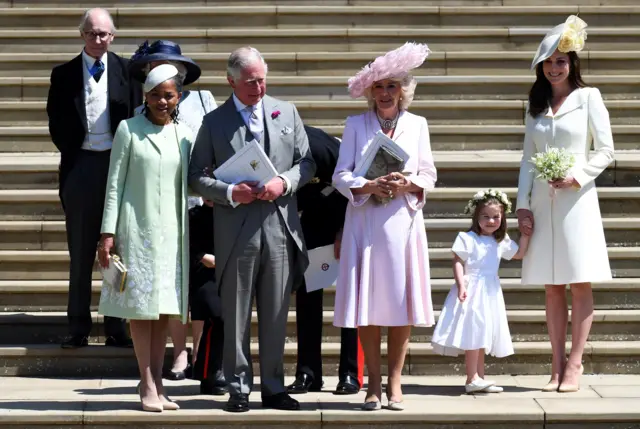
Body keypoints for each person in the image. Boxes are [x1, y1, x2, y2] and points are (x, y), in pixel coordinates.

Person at [189, 46, 316, 413]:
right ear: (230, 81)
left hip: (279, 223)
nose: (258, 88)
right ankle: (238, 387)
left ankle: (274, 386)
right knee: (237, 308)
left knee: (276, 311)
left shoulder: (286, 111)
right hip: (236, 227)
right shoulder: (214, 122)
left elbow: (306, 162)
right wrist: (230, 192)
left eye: (262, 80)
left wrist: (285, 183)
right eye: (249, 82)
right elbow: (196, 175)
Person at [332, 42, 437, 411]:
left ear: (403, 90)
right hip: (366, 221)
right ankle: (372, 384)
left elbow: (429, 174)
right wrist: (369, 184)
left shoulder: (418, 124)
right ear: (370, 91)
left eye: (392, 86)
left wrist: (407, 183)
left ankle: (395, 382)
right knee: (368, 305)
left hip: (402, 222)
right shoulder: (355, 124)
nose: (386, 92)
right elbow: (340, 174)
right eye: (379, 86)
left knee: (399, 303)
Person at [516, 15, 614, 393]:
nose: (555, 67)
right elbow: (527, 158)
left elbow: (605, 150)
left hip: (577, 201)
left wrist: (579, 175)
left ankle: (576, 363)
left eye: (562, 60)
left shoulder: (590, 97)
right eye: (549, 61)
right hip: (543, 202)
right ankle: (555, 365)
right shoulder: (535, 105)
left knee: (578, 282)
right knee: (551, 286)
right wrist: (522, 204)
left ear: (573, 63)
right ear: (540, 67)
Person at [97, 64, 192, 412]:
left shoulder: (184, 135)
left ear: (178, 96)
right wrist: (107, 233)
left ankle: (159, 382)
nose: (162, 101)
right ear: (145, 97)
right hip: (136, 231)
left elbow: (193, 182)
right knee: (141, 309)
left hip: (173, 236)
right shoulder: (128, 129)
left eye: (168, 95)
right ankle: (146, 381)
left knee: (164, 310)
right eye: (155, 95)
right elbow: (113, 185)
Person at [46, 8, 140, 349]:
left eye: (104, 34)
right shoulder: (64, 74)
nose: (98, 39)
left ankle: (116, 325)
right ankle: (78, 326)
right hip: (81, 165)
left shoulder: (128, 71)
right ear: (82, 35)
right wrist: (75, 150)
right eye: (92, 33)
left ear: (112, 36)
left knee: (116, 247)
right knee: (82, 248)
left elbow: (134, 113)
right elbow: (55, 121)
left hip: (118, 165)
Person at [129, 39, 218, 381]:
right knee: (173, 285)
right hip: (163, 210)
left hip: (200, 202)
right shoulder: (142, 113)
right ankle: (179, 354)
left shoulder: (202, 99)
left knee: (199, 283)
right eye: (156, 64)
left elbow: (214, 144)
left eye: (172, 65)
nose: (165, 71)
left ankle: (200, 351)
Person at [287, 125, 363, 396]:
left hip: (347, 213)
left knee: (351, 298)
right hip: (309, 217)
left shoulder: (321, 147)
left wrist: (344, 229)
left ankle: (351, 373)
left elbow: (354, 185)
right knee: (308, 296)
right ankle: (308, 373)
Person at [431, 189, 530, 394]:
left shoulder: (499, 241)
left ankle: (479, 377)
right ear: (476, 216)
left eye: (496, 217)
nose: (491, 221)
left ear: (502, 219)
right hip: (472, 288)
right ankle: (472, 378)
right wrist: (460, 285)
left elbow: (519, 254)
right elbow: (458, 261)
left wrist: (526, 235)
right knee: (474, 331)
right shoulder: (467, 238)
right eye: (485, 216)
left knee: (483, 331)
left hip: (490, 290)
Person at [188, 200, 227, 396]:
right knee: (218, 315)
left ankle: (208, 373)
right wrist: (202, 256)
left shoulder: (230, 213)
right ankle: (211, 371)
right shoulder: (194, 215)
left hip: (227, 273)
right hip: (203, 276)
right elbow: (187, 244)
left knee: (222, 319)